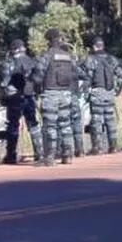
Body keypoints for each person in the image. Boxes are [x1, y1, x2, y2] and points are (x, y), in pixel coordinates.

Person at [34, 30, 77, 165]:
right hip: (66, 94)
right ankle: (67, 155)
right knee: (66, 125)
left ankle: (50, 157)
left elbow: (38, 76)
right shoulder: (68, 56)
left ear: (49, 41)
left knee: (50, 126)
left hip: (50, 94)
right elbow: (75, 74)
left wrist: (36, 90)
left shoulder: (46, 56)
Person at [0, 39, 43, 164]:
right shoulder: (32, 61)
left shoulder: (10, 63)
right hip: (29, 96)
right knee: (33, 124)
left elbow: (4, 82)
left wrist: (3, 96)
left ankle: (11, 155)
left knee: (13, 125)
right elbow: (38, 79)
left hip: (15, 97)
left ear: (13, 49)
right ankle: (39, 152)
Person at [82, 35, 122, 155]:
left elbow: (87, 77)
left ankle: (97, 147)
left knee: (96, 120)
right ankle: (113, 146)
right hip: (109, 92)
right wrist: (117, 89)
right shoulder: (112, 59)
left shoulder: (91, 59)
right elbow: (121, 75)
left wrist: (86, 92)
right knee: (110, 119)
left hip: (97, 92)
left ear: (94, 47)